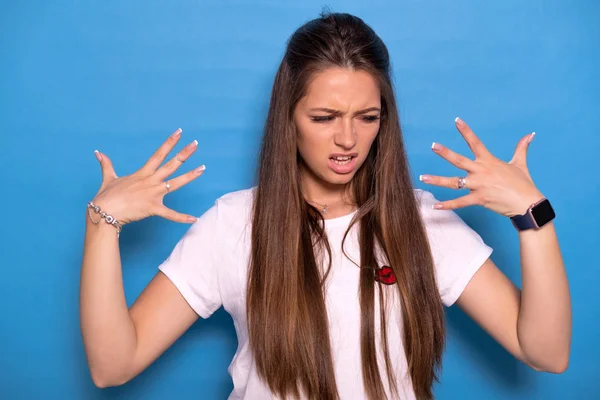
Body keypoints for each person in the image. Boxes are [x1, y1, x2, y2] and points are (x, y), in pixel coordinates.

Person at [80, 11, 571, 400]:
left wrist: (533, 215)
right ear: (287, 118)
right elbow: (113, 366)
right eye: (323, 117)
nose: (347, 139)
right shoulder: (232, 225)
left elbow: (545, 353)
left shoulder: (425, 222)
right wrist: (104, 224)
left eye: (367, 117)